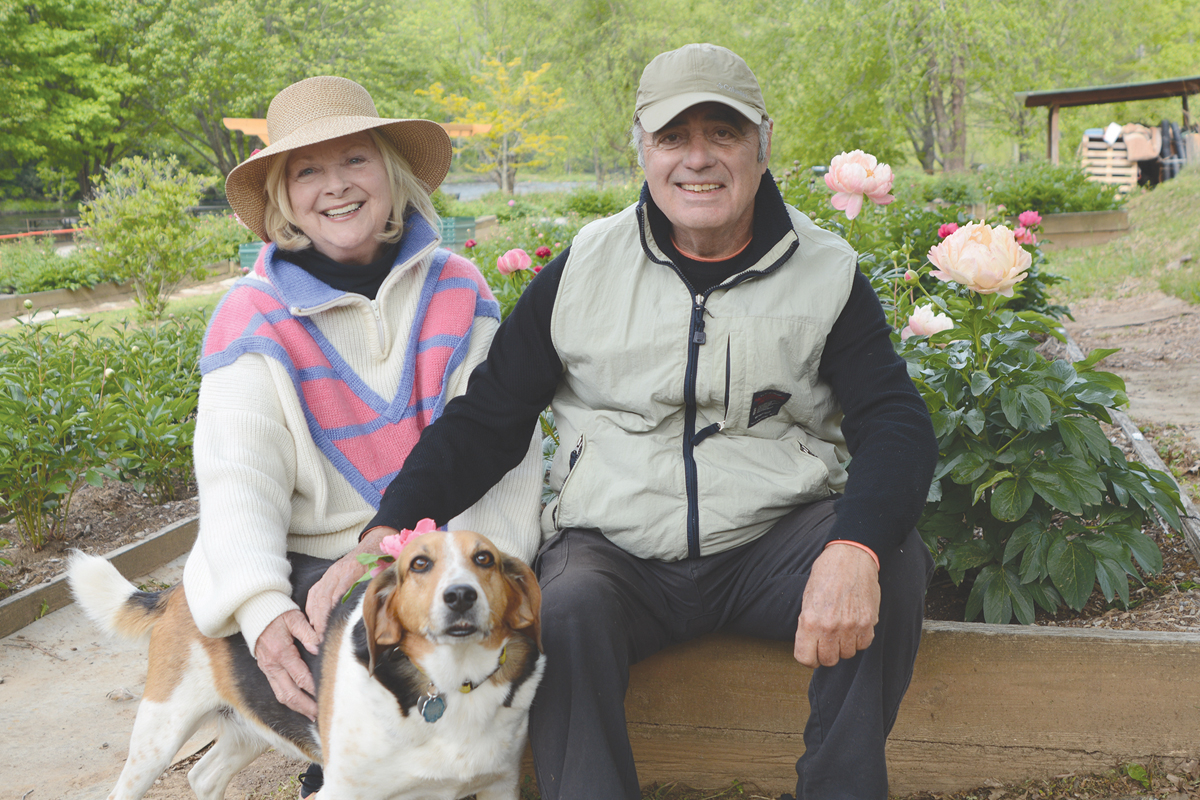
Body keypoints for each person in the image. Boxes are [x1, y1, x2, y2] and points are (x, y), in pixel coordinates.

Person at [312, 44, 938, 800]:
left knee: (891, 565)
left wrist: (855, 546)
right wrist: (391, 526)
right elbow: (488, 418)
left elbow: (895, 420)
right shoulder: (584, 267)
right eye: (674, 137)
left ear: (763, 144)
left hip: (771, 542)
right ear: (641, 148)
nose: (698, 160)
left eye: (724, 134)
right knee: (562, 607)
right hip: (617, 552)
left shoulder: (825, 269)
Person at [183, 76, 543, 797]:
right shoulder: (250, 315)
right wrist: (260, 605)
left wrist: (483, 569)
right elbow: (236, 479)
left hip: (445, 548)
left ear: (391, 172)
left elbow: (500, 443)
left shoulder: (458, 288)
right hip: (318, 562)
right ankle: (342, 769)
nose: (336, 187)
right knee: (350, 628)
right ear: (283, 198)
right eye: (306, 171)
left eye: (356, 160)